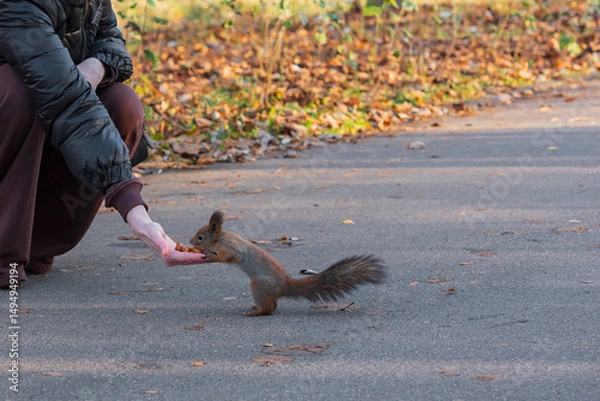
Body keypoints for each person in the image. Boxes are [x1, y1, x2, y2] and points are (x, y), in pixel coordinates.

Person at [0, 0, 211, 288]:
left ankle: (35, 240)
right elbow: (67, 103)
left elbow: (110, 37)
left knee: (122, 105)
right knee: (19, 95)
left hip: (55, 107)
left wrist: (96, 66)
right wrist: (135, 212)